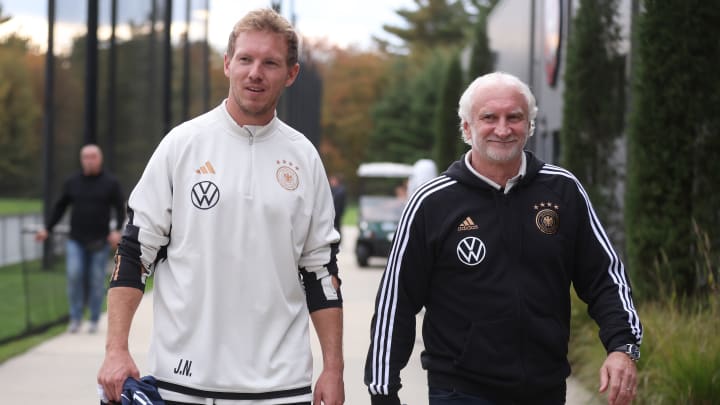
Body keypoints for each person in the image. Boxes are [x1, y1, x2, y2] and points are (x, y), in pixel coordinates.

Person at [97, 8, 344, 405]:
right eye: (245, 59)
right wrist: (115, 349)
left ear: (291, 74)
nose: (255, 73)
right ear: (228, 64)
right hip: (184, 383)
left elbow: (321, 271)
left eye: (271, 63)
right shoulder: (183, 144)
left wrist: (333, 368)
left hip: (281, 387)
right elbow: (134, 253)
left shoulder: (304, 157)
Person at [364, 72, 643, 405]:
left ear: (529, 125)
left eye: (514, 117)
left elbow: (605, 277)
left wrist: (622, 347)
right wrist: (383, 389)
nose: (502, 128)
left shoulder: (563, 191)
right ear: (467, 128)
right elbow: (396, 300)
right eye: (488, 118)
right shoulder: (433, 202)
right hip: (460, 389)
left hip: (545, 389)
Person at [35, 144, 125, 334]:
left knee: (95, 279)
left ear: (99, 159)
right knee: (74, 275)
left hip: (99, 240)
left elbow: (120, 207)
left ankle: (93, 318)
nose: (89, 160)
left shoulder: (110, 182)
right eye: (86, 157)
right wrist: (47, 229)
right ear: (81, 159)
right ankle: (75, 318)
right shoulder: (72, 182)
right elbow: (60, 206)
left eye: (93, 156)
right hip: (76, 239)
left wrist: (117, 230)